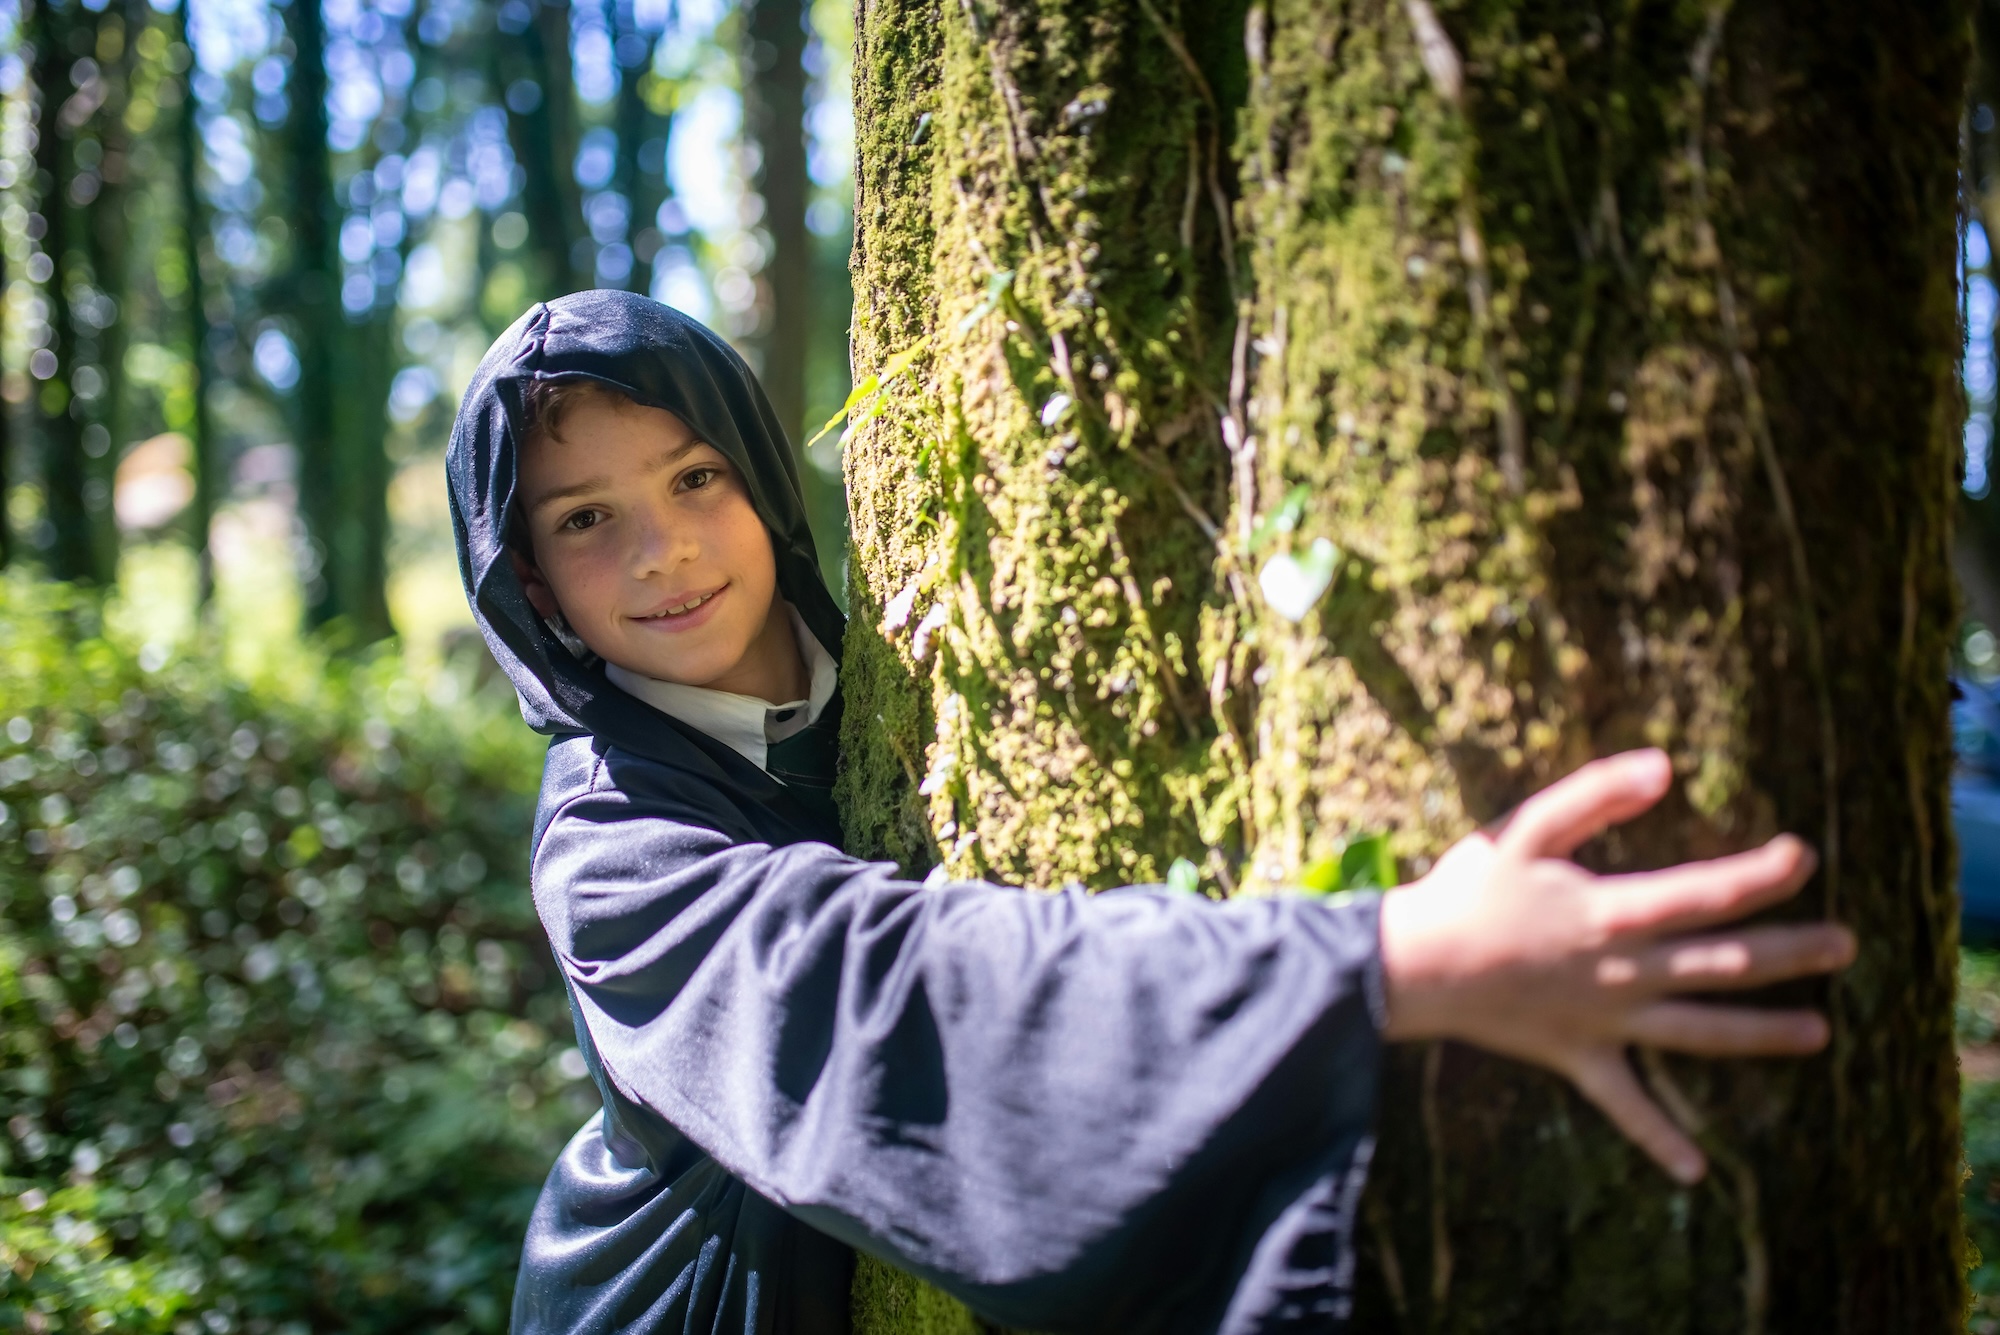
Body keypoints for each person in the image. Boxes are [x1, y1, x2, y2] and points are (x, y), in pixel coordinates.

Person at [446, 290, 1853, 1335]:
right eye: (585, 520)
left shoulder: (908, 662)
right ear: (527, 583)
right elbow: (871, 993)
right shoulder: (609, 840)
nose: (665, 549)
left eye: (697, 478)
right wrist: (1387, 966)